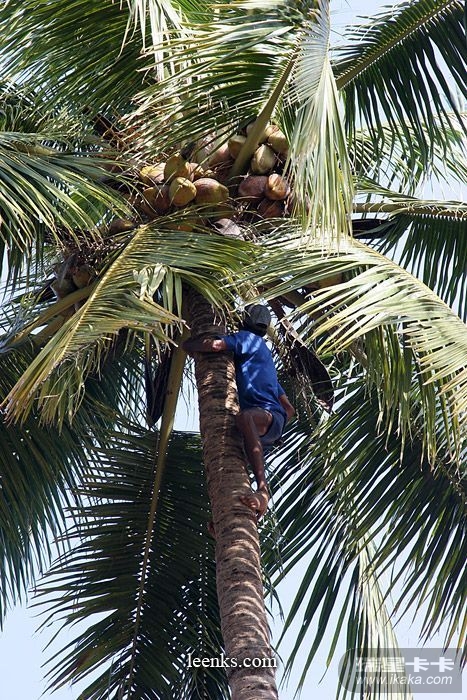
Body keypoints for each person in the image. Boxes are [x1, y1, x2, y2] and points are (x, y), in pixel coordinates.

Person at [182, 304, 295, 518]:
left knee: (243, 419)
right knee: (230, 459)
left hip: (264, 417)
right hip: (270, 422)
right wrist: (273, 433)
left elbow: (216, 345)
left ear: (244, 321)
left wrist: (188, 344)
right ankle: (228, 513)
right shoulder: (264, 356)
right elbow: (289, 409)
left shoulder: (247, 339)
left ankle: (263, 490)